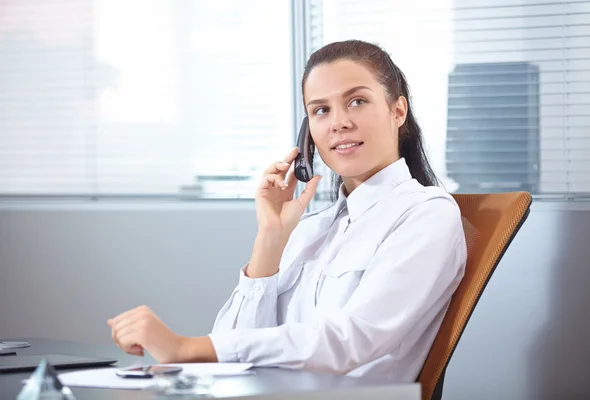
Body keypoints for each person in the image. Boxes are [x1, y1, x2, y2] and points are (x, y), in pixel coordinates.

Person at [108, 39, 467, 382]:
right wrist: (271, 239)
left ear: (397, 110)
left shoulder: (426, 214)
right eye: (321, 110)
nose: (339, 122)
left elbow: (351, 341)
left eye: (357, 101)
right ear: (308, 133)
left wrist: (187, 348)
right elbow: (238, 353)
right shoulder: (313, 227)